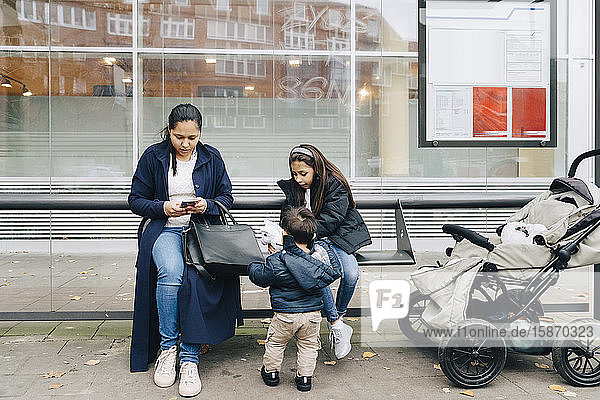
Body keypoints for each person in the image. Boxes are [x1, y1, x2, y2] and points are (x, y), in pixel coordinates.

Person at [128, 104, 242, 397]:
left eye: (192, 137)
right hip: (165, 229)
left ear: (200, 133)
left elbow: (226, 196)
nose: (186, 144)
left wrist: (207, 204)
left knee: (194, 279)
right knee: (171, 273)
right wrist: (162, 207)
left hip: (202, 231)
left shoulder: (211, 156)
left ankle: (189, 358)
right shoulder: (153, 156)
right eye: (179, 136)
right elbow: (136, 200)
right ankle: (168, 350)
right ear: (169, 131)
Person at [276, 144, 372, 359]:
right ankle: (336, 325)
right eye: (294, 173)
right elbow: (288, 215)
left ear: (316, 169)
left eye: (303, 173)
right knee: (319, 273)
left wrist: (304, 233)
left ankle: (339, 316)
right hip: (311, 239)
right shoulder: (294, 188)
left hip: (338, 236)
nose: (298, 178)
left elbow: (333, 219)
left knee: (351, 274)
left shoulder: (334, 184)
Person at [249, 206, 341, 392]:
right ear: (312, 235)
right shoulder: (319, 260)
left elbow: (260, 277)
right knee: (308, 346)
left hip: (285, 316)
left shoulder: (277, 260)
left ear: (284, 234)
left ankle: (271, 373)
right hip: (312, 316)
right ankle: (305, 379)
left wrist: (254, 265)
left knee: (275, 343)